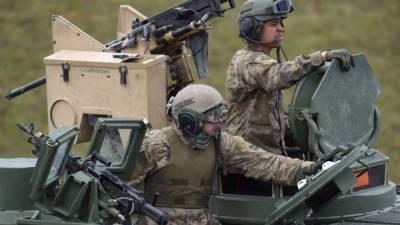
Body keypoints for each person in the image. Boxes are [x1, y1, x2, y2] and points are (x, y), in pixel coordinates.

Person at [130, 84, 315, 225]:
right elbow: (120, 188)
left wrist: (309, 169)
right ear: (189, 120)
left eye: (220, 114)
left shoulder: (220, 143)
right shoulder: (155, 145)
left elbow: (263, 162)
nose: (219, 122)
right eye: (212, 116)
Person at [225, 0, 353, 155]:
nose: (280, 28)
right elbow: (278, 75)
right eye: (273, 24)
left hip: (269, 153)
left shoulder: (262, 59)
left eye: (281, 23)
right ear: (253, 28)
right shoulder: (245, 61)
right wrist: (321, 57)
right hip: (248, 158)